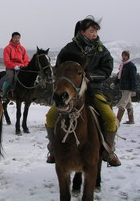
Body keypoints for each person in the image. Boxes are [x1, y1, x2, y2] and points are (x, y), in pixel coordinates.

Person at [45, 16, 121, 167]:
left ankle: (109, 151)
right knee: (51, 116)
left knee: (111, 118)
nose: (94, 34)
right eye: (91, 31)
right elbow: (59, 68)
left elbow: (107, 69)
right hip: (71, 92)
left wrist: (91, 76)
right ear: (82, 32)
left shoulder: (101, 49)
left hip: (93, 89)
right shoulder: (69, 48)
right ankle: (53, 149)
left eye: (96, 31)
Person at [0, 32, 29, 102]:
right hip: (11, 67)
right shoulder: (7, 48)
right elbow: (6, 61)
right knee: (10, 77)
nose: (17, 39)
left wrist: (23, 65)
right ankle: (4, 94)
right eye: (15, 37)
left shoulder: (22, 49)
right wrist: (14, 66)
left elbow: (26, 60)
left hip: (21, 67)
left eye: (18, 38)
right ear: (12, 38)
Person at [110, 50, 137, 124]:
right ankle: (131, 120)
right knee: (128, 104)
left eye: (125, 55)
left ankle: (117, 121)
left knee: (122, 104)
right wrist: (114, 83)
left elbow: (133, 78)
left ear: (128, 56)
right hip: (123, 87)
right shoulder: (123, 65)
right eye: (123, 55)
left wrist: (133, 89)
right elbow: (119, 76)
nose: (123, 57)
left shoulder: (131, 66)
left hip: (128, 88)